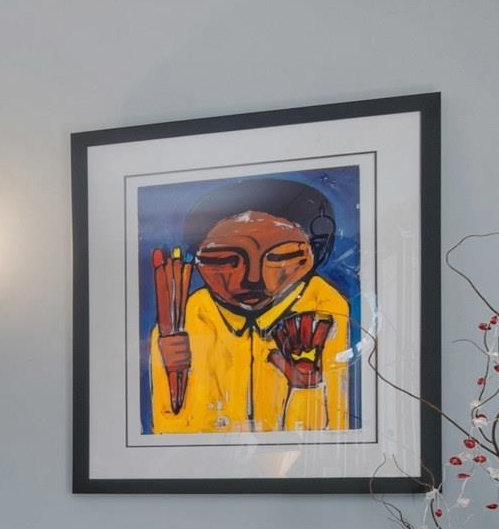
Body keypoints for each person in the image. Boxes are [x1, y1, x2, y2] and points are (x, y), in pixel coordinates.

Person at [148, 175, 349, 434]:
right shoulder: (185, 316)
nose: (253, 279)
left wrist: (306, 388)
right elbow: (168, 430)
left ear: (315, 252)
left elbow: (333, 436)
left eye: (281, 257)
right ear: (197, 260)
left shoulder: (324, 306)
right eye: (224, 260)